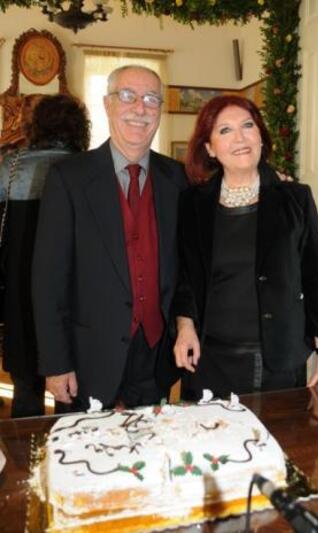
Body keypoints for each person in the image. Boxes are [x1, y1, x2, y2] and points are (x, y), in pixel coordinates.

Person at [32, 65, 187, 411]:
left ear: (160, 110)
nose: (140, 108)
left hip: (156, 357)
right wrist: (56, 363)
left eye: (151, 99)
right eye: (128, 96)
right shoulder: (68, 178)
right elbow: (48, 281)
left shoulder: (177, 178)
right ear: (107, 104)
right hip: (87, 360)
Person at [173, 95, 318, 400]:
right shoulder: (193, 203)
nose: (240, 138)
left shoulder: (295, 198)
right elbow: (185, 276)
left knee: (278, 433)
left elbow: (315, 279)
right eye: (225, 130)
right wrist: (185, 326)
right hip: (209, 360)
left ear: (261, 136)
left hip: (278, 362)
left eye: (248, 125)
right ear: (210, 148)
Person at [0, 94, 90, 417]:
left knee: (26, 391)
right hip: (72, 294)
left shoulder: (9, 167)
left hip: (19, 291)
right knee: (72, 393)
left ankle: (25, 449)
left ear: (35, 126)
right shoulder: (87, 168)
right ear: (79, 128)